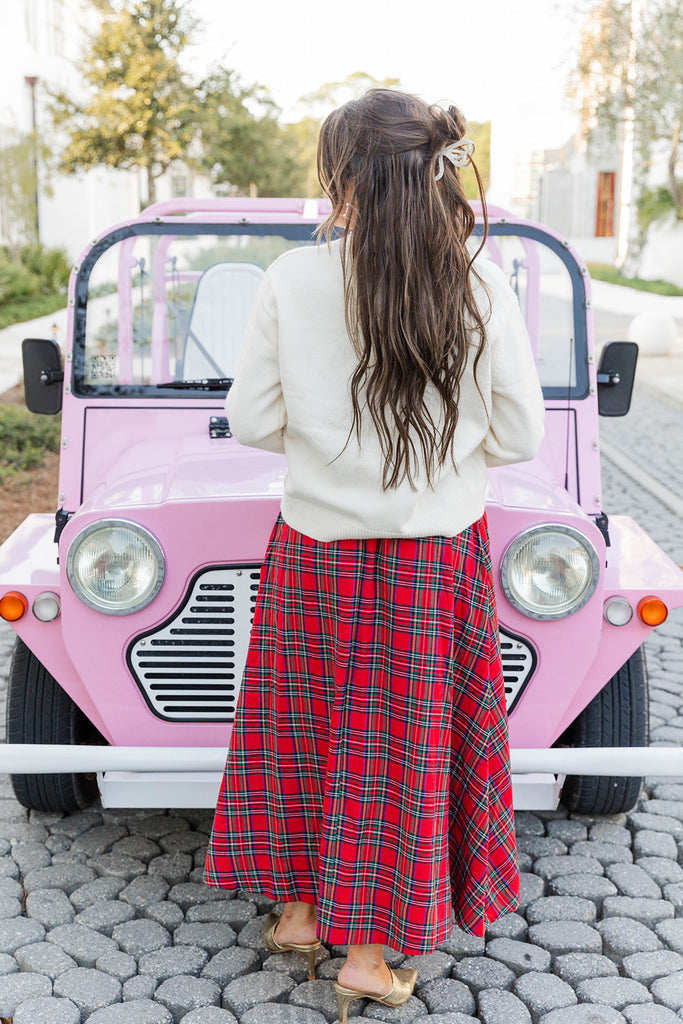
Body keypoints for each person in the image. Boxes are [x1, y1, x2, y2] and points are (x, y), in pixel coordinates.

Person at [204, 88, 545, 1022]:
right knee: (399, 749)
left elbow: (250, 420)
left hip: (316, 553)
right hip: (435, 560)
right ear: (431, 171)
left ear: (345, 177)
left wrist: (328, 439)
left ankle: (300, 914)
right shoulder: (478, 285)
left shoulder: (291, 278)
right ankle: (367, 955)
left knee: (303, 729)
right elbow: (517, 434)